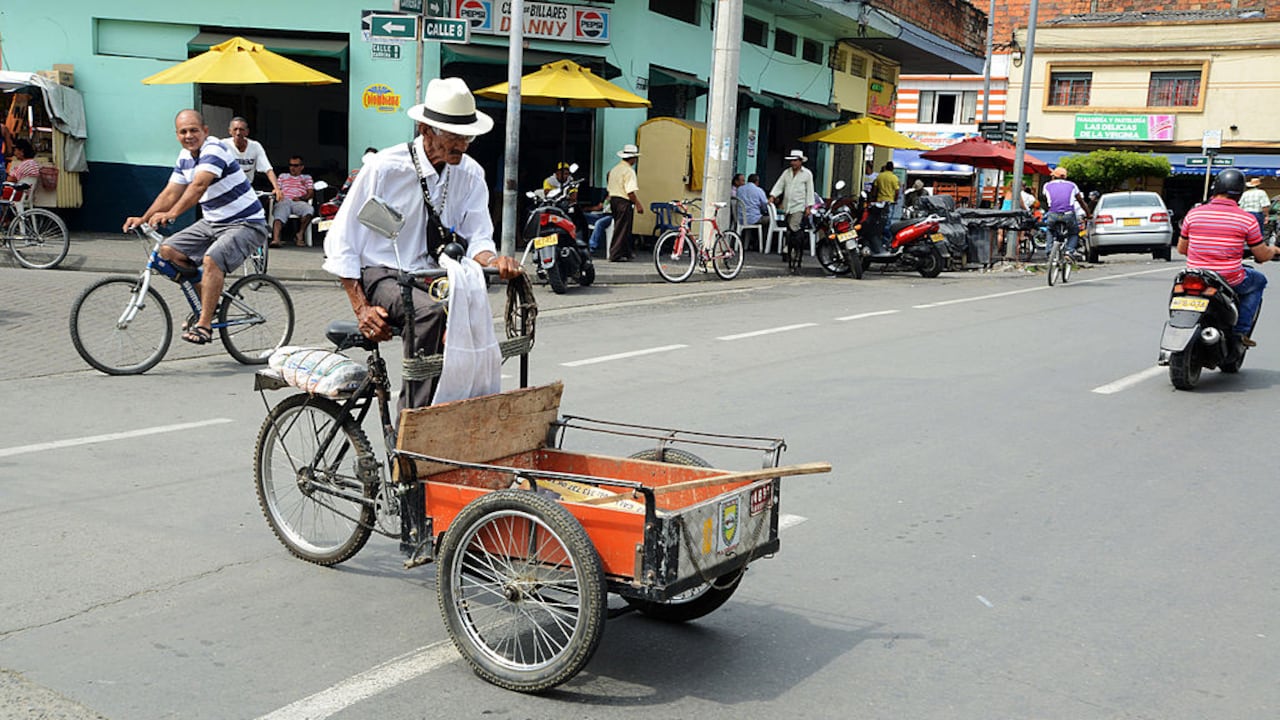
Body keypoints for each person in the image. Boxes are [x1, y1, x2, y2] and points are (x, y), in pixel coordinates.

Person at [322, 77, 520, 411]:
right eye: (454, 136)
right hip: (382, 272)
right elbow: (342, 241)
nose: (463, 145)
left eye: (468, 136)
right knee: (429, 312)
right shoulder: (385, 168)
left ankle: (462, 404)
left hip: (430, 274)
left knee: (472, 310)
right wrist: (361, 308)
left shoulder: (469, 173)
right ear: (425, 129)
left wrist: (495, 261)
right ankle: (412, 424)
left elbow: (479, 237)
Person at [123, 109, 268, 345]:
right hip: (213, 222)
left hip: (246, 223)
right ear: (177, 134)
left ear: (206, 131)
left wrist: (172, 214)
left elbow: (198, 186)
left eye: (194, 130)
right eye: (183, 131)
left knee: (212, 260)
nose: (189, 135)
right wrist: (143, 217)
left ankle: (204, 325)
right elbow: (171, 191)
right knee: (168, 252)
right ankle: (210, 300)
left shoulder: (215, 150)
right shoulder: (185, 157)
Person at [1179, 168, 1280, 347]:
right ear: (1239, 193)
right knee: (1259, 281)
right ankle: (1240, 333)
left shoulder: (1193, 214)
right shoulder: (1247, 219)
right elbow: (1261, 256)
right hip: (1230, 278)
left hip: (1195, 274)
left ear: (1215, 188)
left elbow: (1182, 249)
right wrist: (1273, 250)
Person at [768, 150, 815, 268]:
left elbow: (810, 190)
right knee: (789, 229)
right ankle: (790, 248)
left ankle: (791, 250)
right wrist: (773, 196)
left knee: (794, 226)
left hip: (799, 206)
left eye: (795, 160)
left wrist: (809, 206)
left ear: (800, 161)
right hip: (787, 206)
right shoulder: (786, 173)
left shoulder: (807, 174)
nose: (793, 163)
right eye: (791, 161)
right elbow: (780, 185)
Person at [226, 117, 281, 201]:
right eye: (235, 129)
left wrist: (277, 188)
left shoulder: (255, 146)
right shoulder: (223, 145)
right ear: (230, 131)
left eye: (241, 130)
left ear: (247, 132)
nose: (238, 133)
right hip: (228, 187)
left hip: (246, 187)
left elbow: (268, 169)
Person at [1040, 166, 1087, 258]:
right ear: (1065, 177)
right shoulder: (1072, 185)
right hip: (1068, 214)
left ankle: (1049, 251)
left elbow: (1047, 199)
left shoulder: (1047, 185)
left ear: (1053, 177)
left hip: (1053, 214)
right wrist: (1088, 214)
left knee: (1050, 229)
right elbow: (1081, 202)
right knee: (1074, 232)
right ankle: (1069, 252)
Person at [607, 144, 643, 262]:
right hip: (623, 201)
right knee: (622, 228)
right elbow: (630, 191)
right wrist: (638, 204)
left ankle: (626, 251)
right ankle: (615, 254)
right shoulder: (629, 171)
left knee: (623, 227)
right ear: (632, 158)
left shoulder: (614, 169)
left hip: (613, 200)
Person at [272, 155, 314, 247]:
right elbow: (277, 188)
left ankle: (300, 234)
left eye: (296, 165)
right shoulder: (283, 176)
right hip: (284, 200)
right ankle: (276, 239)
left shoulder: (306, 178)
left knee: (309, 210)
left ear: (301, 167)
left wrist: (301, 198)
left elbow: (311, 193)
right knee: (279, 214)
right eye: (291, 165)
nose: (292, 168)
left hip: (299, 201)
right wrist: (276, 193)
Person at [868, 161, 900, 254]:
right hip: (889, 202)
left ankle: (881, 239)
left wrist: (873, 199)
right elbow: (897, 191)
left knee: (878, 222)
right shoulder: (894, 178)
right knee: (888, 221)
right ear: (892, 168)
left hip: (879, 202)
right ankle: (888, 240)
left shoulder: (880, 176)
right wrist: (895, 200)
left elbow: (875, 190)